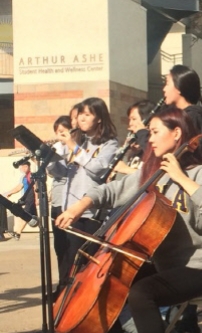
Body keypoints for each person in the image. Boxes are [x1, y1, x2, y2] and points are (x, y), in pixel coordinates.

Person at [55, 106, 202, 333]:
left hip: (194, 268)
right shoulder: (151, 172)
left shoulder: (200, 173)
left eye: (156, 132)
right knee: (110, 286)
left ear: (176, 133)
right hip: (160, 266)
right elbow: (111, 190)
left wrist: (180, 177)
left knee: (142, 293)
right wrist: (79, 207)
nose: (150, 139)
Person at [47, 97, 119, 287]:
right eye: (80, 115)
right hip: (68, 208)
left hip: (89, 211)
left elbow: (97, 168)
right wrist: (50, 158)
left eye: (87, 115)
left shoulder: (109, 144)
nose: (82, 119)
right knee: (68, 261)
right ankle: (65, 301)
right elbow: (61, 173)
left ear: (99, 118)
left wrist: (72, 146)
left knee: (84, 266)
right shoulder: (79, 141)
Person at [112, 100, 157, 180]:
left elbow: (151, 175)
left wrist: (126, 169)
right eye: (130, 120)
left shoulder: (155, 145)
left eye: (134, 119)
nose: (130, 124)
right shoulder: (136, 145)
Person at [49, 115, 71, 280]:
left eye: (64, 131)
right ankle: (62, 283)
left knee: (72, 247)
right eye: (58, 132)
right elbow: (52, 173)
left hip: (71, 204)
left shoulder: (76, 149)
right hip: (57, 202)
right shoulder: (57, 148)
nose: (60, 136)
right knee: (60, 246)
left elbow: (64, 174)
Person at [163, 65, 202, 133]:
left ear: (179, 87)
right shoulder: (174, 114)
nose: (164, 89)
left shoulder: (192, 117)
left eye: (167, 84)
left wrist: (142, 132)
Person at [5, 161, 36, 241]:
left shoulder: (32, 176)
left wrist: (37, 198)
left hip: (31, 199)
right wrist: (9, 192)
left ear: (26, 167)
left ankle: (17, 233)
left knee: (25, 216)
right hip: (27, 199)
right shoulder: (24, 177)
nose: (20, 169)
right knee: (32, 217)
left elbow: (36, 188)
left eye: (22, 167)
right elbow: (19, 187)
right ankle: (18, 233)